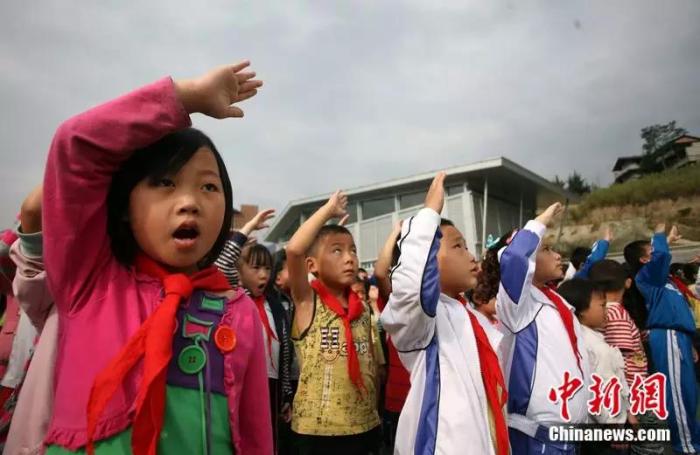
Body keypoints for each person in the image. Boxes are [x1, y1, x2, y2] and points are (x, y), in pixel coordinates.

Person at [41, 61, 271, 454]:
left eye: (208, 186)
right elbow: (75, 145)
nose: (189, 202)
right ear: (126, 205)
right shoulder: (90, 281)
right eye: (165, 182)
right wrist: (186, 98)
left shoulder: (241, 312)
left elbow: (255, 438)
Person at [381, 172, 508, 455]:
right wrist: (428, 216)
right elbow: (412, 288)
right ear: (428, 257)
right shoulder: (423, 319)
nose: (472, 255)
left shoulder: (472, 316)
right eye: (458, 246)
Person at [285, 191, 381, 455]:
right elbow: (294, 249)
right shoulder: (308, 301)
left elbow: (371, 363)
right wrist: (328, 210)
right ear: (312, 265)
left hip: (365, 426)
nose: (349, 258)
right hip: (318, 433)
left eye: (352, 250)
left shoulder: (362, 308)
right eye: (337, 251)